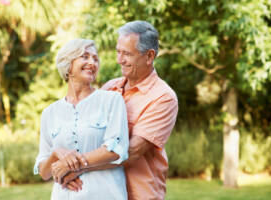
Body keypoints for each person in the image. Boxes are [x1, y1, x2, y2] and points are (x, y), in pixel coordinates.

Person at [63, 21, 178, 200]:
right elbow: (82, 131)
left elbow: (130, 152)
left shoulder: (163, 97)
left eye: (127, 54)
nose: (119, 60)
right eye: (118, 52)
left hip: (138, 195)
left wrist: (75, 168)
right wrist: (62, 158)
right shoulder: (110, 88)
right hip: (104, 192)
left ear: (149, 56)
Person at [33, 39, 129, 200]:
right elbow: (44, 171)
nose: (92, 62)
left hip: (106, 194)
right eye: (85, 57)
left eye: (95, 59)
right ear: (68, 64)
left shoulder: (112, 100)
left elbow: (116, 149)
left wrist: (70, 165)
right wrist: (57, 153)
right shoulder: (49, 113)